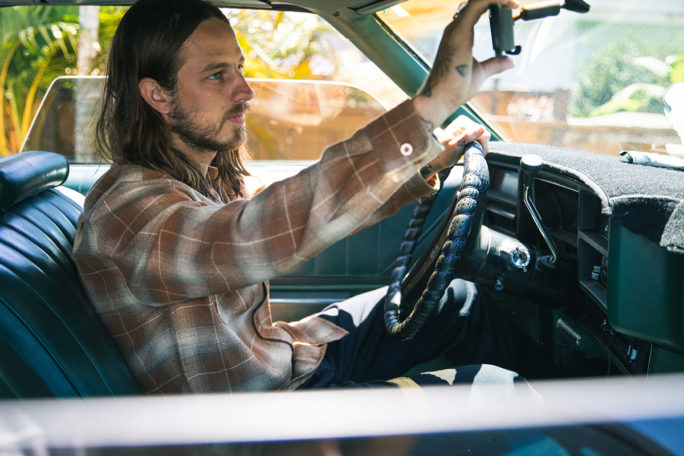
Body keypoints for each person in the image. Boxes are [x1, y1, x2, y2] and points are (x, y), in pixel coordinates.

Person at [73, 0, 523, 394]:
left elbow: (306, 209)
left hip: (291, 360)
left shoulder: (195, 178)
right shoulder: (129, 213)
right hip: (257, 428)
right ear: (158, 96)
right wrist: (429, 105)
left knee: (458, 302)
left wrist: (424, 166)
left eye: (240, 70)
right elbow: (262, 233)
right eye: (217, 75)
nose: (245, 91)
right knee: (500, 394)